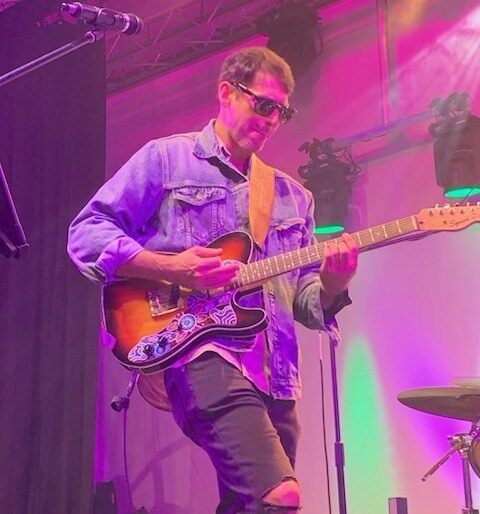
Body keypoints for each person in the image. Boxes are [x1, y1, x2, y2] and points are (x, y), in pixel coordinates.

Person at [67, 46, 358, 514]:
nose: (272, 119)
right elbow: (86, 233)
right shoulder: (167, 160)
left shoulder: (294, 198)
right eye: (263, 104)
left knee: (253, 506)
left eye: (281, 112)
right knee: (279, 495)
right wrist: (170, 267)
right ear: (227, 93)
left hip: (277, 375)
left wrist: (333, 286)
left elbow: (305, 302)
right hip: (201, 354)